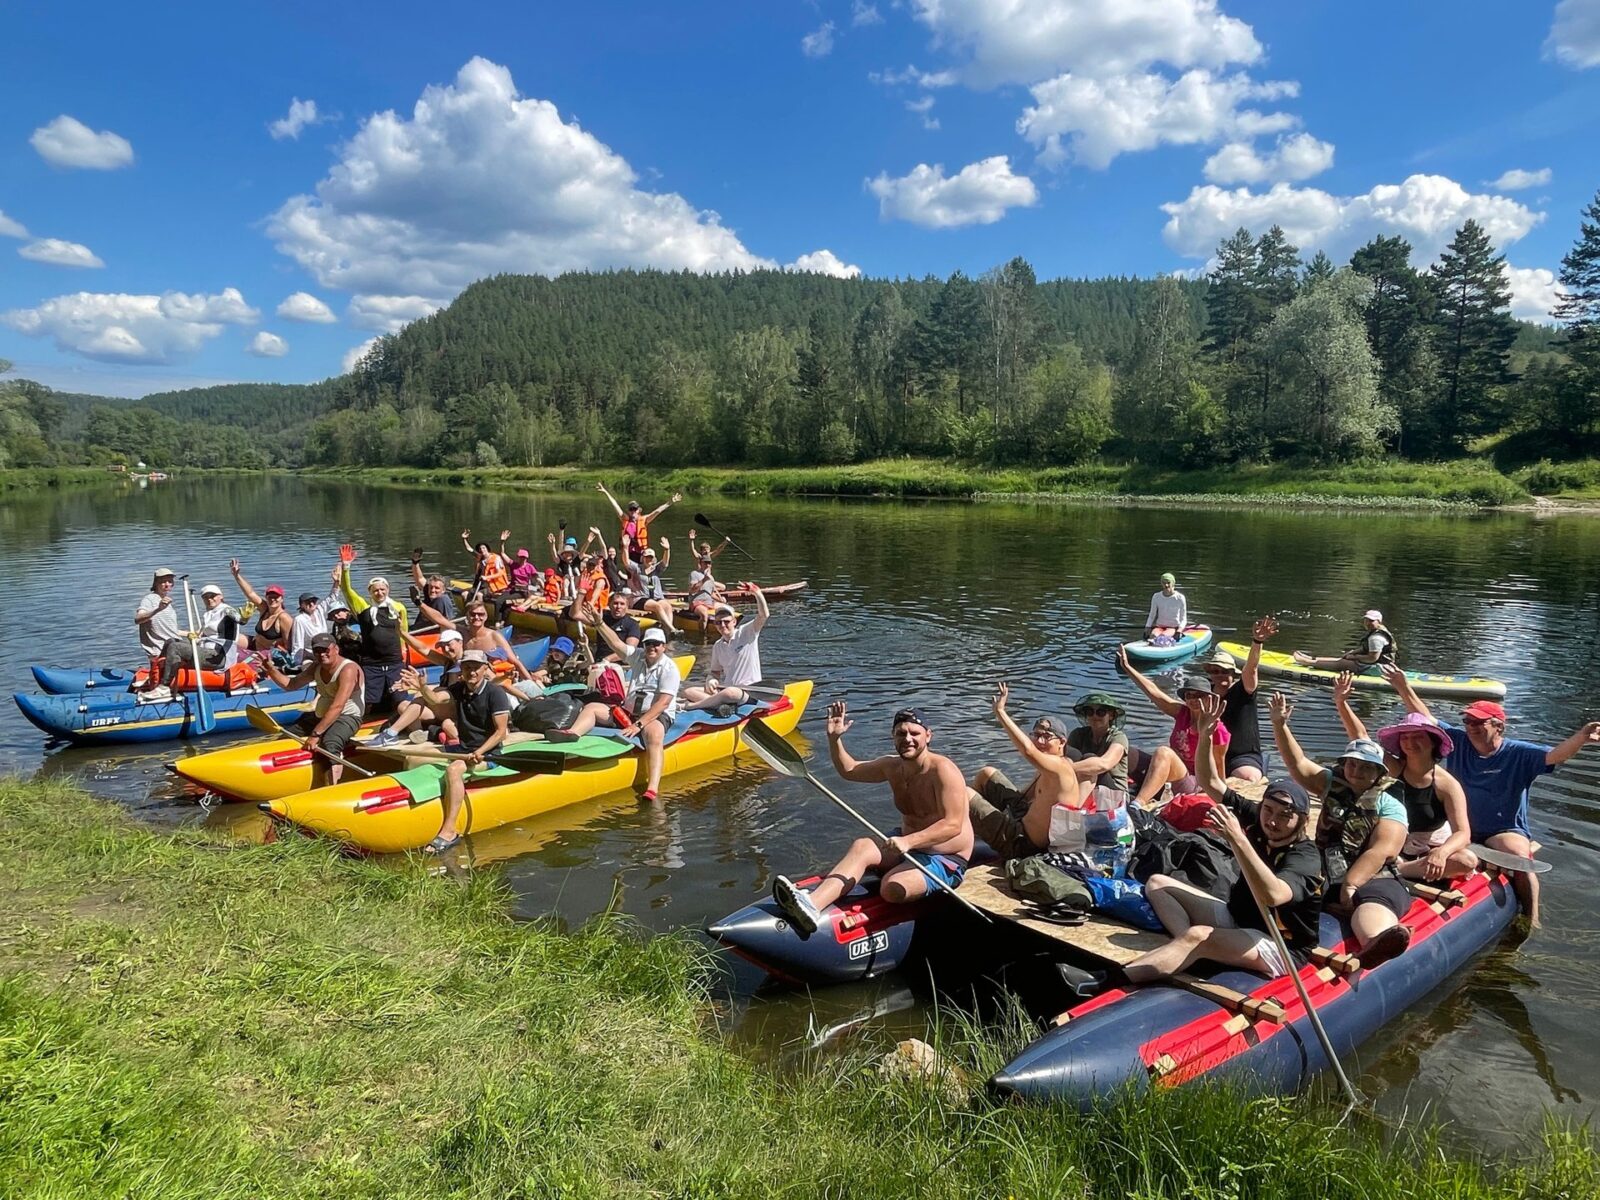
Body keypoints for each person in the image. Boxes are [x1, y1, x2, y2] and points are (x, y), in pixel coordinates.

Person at [1378, 664, 1600, 927]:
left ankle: (1532, 919)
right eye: (1467, 721)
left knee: (1520, 858)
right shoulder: (1458, 741)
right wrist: (1402, 686)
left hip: (1500, 829)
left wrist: (1581, 737)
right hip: (1459, 828)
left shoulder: (1519, 753)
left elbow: (1555, 756)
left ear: (1498, 726)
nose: (1471, 727)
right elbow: (1426, 719)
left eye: (1478, 722)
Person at [1125, 693, 1325, 983]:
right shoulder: (1259, 816)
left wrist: (1238, 839)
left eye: (1285, 816)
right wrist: (1205, 736)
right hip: (1239, 918)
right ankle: (1188, 950)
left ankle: (1121, 977)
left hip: (1281, 945)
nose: (1272, 821)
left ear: (1303, 820)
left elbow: (1273, 895)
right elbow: (1210, 782)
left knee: (1198, 935)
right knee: (1157, 884)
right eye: (1269, 810)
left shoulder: (1305, 856)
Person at [771, 702, 973, 935]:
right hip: (906, 844)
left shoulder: (943, 770)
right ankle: (812, 905)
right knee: (862, 846)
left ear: (928, 736)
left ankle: (918, 895)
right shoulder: (891, 766)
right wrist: (834, 739)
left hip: (945, 857)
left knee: (891, 888)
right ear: (893, 736)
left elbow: (952, 825)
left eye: (914, 733)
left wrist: (909, 841)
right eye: (901, 733)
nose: (907, 739)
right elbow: (849, 770)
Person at [1268, 691, 1414, 968]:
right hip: (1324, 869)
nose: (1356, 771)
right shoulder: (1330, 784)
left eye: (1365, 767)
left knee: (1371, 903)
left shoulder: (1390, 805)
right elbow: (1297, 764)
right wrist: (1279, 725)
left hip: (1373, 877)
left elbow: (1383, 850)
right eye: (1352, 764)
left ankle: (1377, 940)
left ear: (1379, 773)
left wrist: (1351, 884)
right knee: (1292, 887)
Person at [966, 684, 1132, 869]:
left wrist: (1001, 713)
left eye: (1046, 736)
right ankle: (974, 830)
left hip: (1020, 841)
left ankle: (959, 838)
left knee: (963, 793)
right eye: (1036, 735)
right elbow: (1028, 794)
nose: (1040, 741)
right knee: (987, 773)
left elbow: (1029, 750)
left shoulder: (1059, 767)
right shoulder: (1052, 765)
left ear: (1062, 743)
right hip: (1024, 817)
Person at [557, 616, 682, 803]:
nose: (652, 647)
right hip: (628, 712)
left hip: (655, 715)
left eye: (656, 644)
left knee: (654, 735)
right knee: (592, 708)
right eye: (648, 644)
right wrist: (599, 623)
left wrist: (638, 725)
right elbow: (615, 643)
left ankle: (652, 787)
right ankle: (573, 733)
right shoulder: (638, 656)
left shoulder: (669, 668)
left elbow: (663, 703)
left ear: (663, 646)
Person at [404, 650, 515, 854]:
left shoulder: (495, 693)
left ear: (485, 669)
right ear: (461, 670)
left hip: (489, 754)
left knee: (454, 770)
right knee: (412, 759)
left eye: (476, 667)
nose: (471, 672)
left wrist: (480, 751)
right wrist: (422, 687)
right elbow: (435, 699)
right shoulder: (459, 688)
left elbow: (500, 733)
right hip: (463, 749)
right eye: (467, 667)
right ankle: (417, 807)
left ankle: (449, 831)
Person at [1118, 646, 1229, 808]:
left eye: (1199, 695)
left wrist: (1223, 798)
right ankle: (1113, 793)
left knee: (1164, 752)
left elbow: (1219, 765)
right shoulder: (1182, 713)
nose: (1194, 700)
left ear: (1209, 698)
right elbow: (1154, 692)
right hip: (1171, 773)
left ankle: (1138, 804)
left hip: (1195, 783)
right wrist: (1128, 668)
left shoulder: (1217, 728)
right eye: (1190, 696)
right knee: (1124, 751)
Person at [261, 632, 365, 788]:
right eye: (317, 651)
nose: (322, 654)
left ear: (336, 649)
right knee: (287, 736)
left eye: (325, 650)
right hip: (322, 716)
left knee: (330, 743)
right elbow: (291, 685)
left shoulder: (348, 669)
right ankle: (283, 778)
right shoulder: (316, 667)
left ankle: (333, 786)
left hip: (348, 716)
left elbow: (338, 706)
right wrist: (271, 670)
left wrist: (316, 735)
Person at [1199, 617, 1276, 783]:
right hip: (1210, 753)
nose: (1219, 675)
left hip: (1242, 756)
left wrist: (1257, 641)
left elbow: (1252, 668)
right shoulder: (1204, 694)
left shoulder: (1243, 690)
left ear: (1233, 674)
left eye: (1224, 671)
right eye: (1215, 671)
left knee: (1248, 778)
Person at [339, 548, 411, 715]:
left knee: (399, 697)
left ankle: (403, 719)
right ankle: (357, 722)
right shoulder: (363, 608)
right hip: (372, 663)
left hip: (394, 661)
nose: (379, 593)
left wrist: (404, 650)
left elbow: (404, 632)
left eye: (382, 589)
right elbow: (347, 590)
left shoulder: (398, 607)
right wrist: (346, 567)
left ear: (388, 590)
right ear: (370, 592)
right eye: (375, 590)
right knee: (369, 701)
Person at [367, 628, 466, 747]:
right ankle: (420, 733)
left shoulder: (467, 664)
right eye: (442, 646)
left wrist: (421, 687)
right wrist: (402, 633)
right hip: (440, 708)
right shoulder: (449, 662)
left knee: (420, 697)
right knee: (403, 705)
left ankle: (391, 734)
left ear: (460, 642)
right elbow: (423, 649)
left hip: (455, 711)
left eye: (449, 644)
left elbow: (451, 693)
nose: (446, 649)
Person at [682, 586, 770, 714]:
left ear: (734, 621)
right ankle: (720, 705)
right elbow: (715, 672)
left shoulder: (746, 632)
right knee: (689, 691)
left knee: (730, 693)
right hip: (727, 689)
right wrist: (711, 680)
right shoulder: (718, 645)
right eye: (718, 622)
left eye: (726, 621)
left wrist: (757, 593)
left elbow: (764, 615)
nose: (722, 625)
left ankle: (691, 706)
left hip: (748, 692)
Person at [596, 481, 681, 562]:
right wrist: (606, 492)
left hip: (641, 553)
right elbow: (615, 505)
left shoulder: (644, 520)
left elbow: (657, 511)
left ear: (638, 510)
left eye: (635, 509)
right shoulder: (624, 519)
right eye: (631, 509)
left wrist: (670, 502)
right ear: (628, 511)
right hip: (628, 553)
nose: (633, 511)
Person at [1293, 609, 1397, 673]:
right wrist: (1352, 652)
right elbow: (1366, 648)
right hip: (1379, 665)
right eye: (1366, 620)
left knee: (1342, 663)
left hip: (1380, 669)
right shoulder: (1376, 632)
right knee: (1342, 659)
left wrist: (1354, 657)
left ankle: (1307, 662)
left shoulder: (1376, 638)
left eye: (1371, 621)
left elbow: (1372, 658)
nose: (1367, 623)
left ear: (1379, 621)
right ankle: (1312, 659)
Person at [134, 568, 183, 698]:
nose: (167, 584)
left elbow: (170, 630)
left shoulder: (167, 602)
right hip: (161, 652)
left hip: (172, 648)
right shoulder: (150, 599)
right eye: (163, 581)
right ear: (156, 583)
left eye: (170, 581)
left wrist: (190, 633)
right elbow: (138, 619)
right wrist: (157, 609)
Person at [229, 558, 294, 654]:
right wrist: (236, 575)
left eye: (276, 597)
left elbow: (289, 646)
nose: (273, 599)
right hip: (255, 645)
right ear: (266, 597)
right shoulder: (264, 608)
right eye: (270, 597)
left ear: (282, 599)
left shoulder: (284, 618)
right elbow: (250, 594)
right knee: (230, 637)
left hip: (269, 654)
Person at [408, 548, 460, 633]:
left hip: (431, 633)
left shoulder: (443, 600)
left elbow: (447, 623)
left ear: (443, 590)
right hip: (416, 629)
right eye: (431, 587)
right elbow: (420, 578)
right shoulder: (429, 593)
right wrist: (415, 563)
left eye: (437, 588)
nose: (433, 590)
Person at [459, 529, 513, 601]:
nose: (482, 550)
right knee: (464, 594)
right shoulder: (480, 557)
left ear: (487, 549)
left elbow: (500, 573)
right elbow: (469, 549)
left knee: (479, 594)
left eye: (483, 548)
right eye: (480, 549)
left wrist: (486, 577)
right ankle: (468, 607)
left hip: (492, 587)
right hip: (480, 585)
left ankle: (480, 607)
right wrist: (464, 539)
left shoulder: (496, 558)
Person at [1145, 572, 1187, 643]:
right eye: (1164, 583)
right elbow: (1152, 615)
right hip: (1159, 627)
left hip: (1173, 627)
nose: (1166, 585)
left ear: (1173, 583)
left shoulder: (1180, 598)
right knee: (1153, 635)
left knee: (1163, 637)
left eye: (1168, 583)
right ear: (1161, 584)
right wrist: (1147, 627)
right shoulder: (1156, 596)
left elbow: (1183, 618)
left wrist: (1180, 630)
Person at [684, 552, 724, 626]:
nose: (707, 565)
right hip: (697, 603)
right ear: (700, 563)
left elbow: (711, 593)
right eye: (705, 563)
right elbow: (692, 590)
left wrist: (720, 600)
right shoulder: (694, 574)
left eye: (709, 563)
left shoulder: (711, 577)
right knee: (704, 615)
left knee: (727, 609)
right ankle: (702, 633)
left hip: (710, 603)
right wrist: (704, 579)